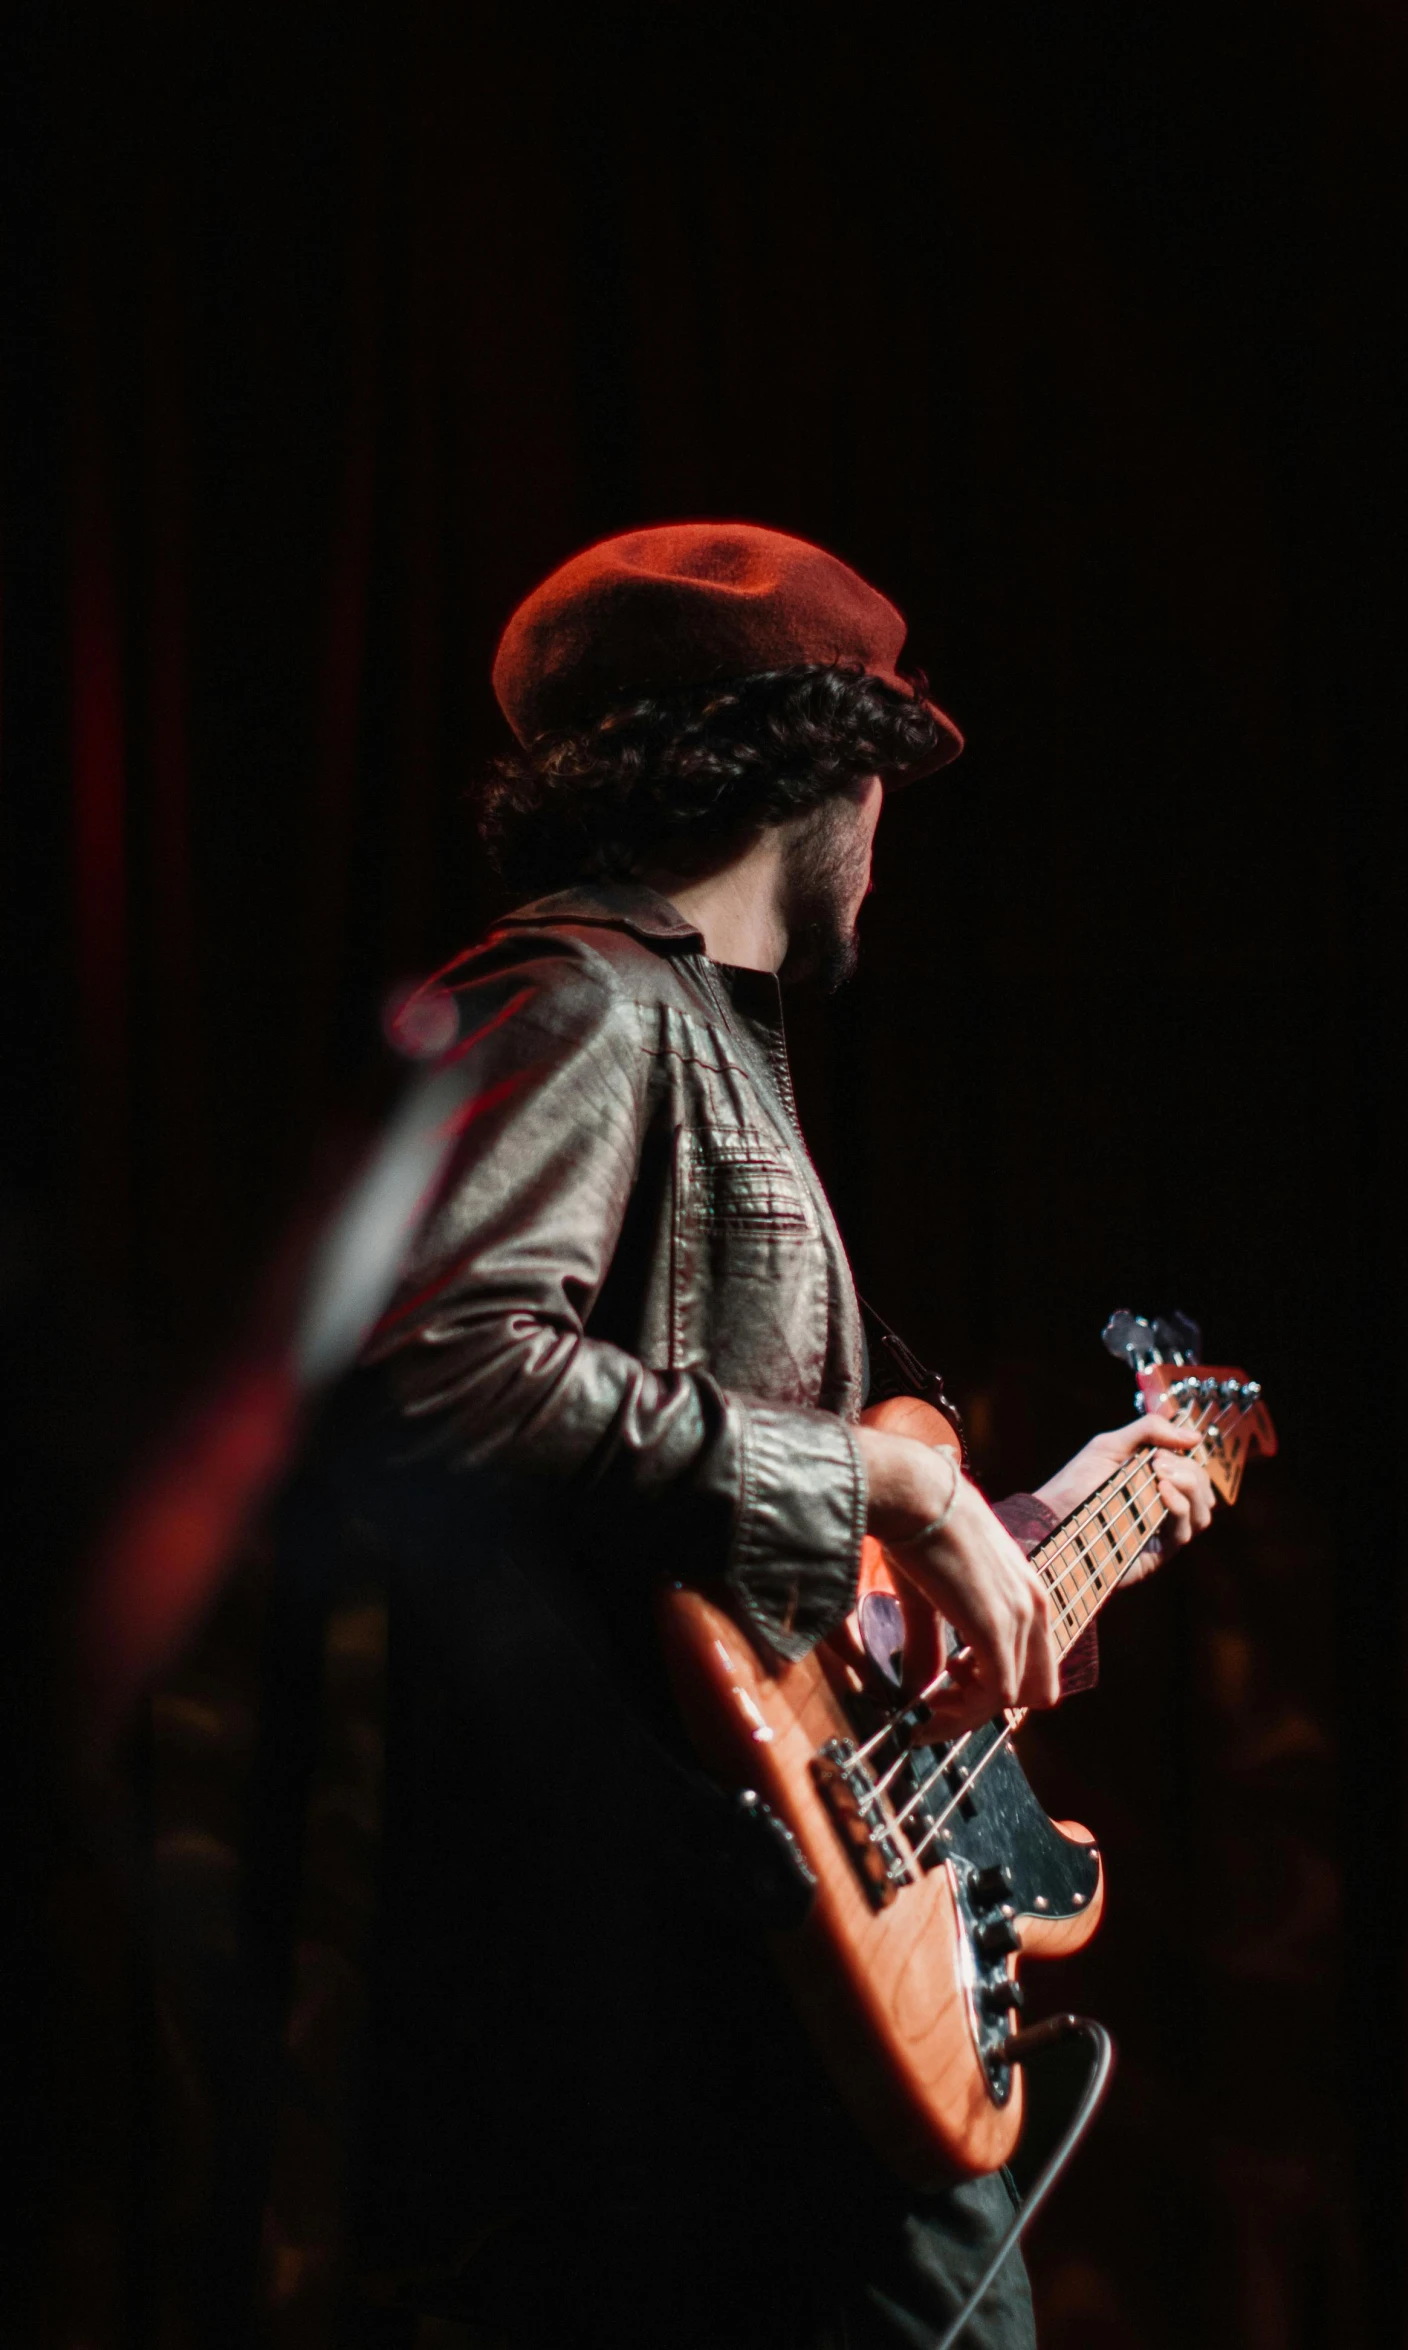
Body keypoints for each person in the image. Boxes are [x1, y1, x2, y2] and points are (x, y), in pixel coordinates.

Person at [346, 524, 1213, 2350]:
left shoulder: (707, 1042)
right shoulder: (579, 996)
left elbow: (707, 1548)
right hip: (673, 2006)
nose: (887, 837)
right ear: (812, 766)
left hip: (758, 1996)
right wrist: (882, 1476)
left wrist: (953, 1564)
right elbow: (433, 1369)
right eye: (879, 778)